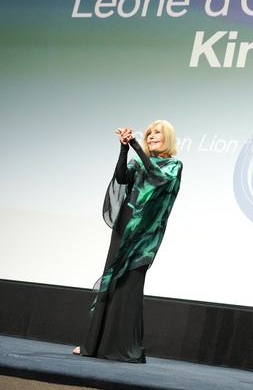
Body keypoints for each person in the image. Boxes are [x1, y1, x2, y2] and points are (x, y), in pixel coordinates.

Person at [73, 120, 183, 363]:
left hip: (144, 237)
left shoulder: (173, 166)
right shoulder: (138, 161)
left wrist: (135, 145)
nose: (151, 136)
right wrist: (123, 149)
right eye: (150, 133)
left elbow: (157, 177)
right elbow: (122, 178)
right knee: (111, 284)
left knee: (128, 288)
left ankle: (123, 348)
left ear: (168, 138)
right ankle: (95, 344)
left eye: (157, 133)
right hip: (124, 227)